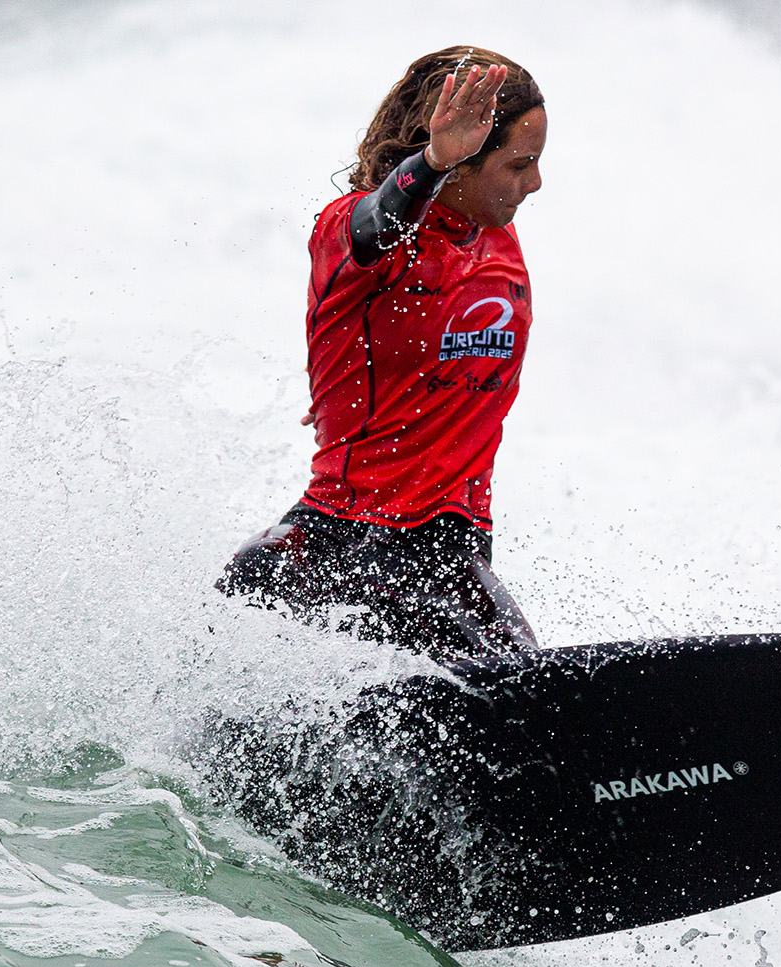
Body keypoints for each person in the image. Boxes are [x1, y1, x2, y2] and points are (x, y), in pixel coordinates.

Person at [219, 47, 547, 663]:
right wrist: (431, 163)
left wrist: (345, 393)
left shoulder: (496, 239)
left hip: (451, 544)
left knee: (524, 701)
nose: (535, 183)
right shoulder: (350, 228)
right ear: (461, 163)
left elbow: (402, 347)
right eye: (519, 165)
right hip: (344, 544)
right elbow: (380, 225)